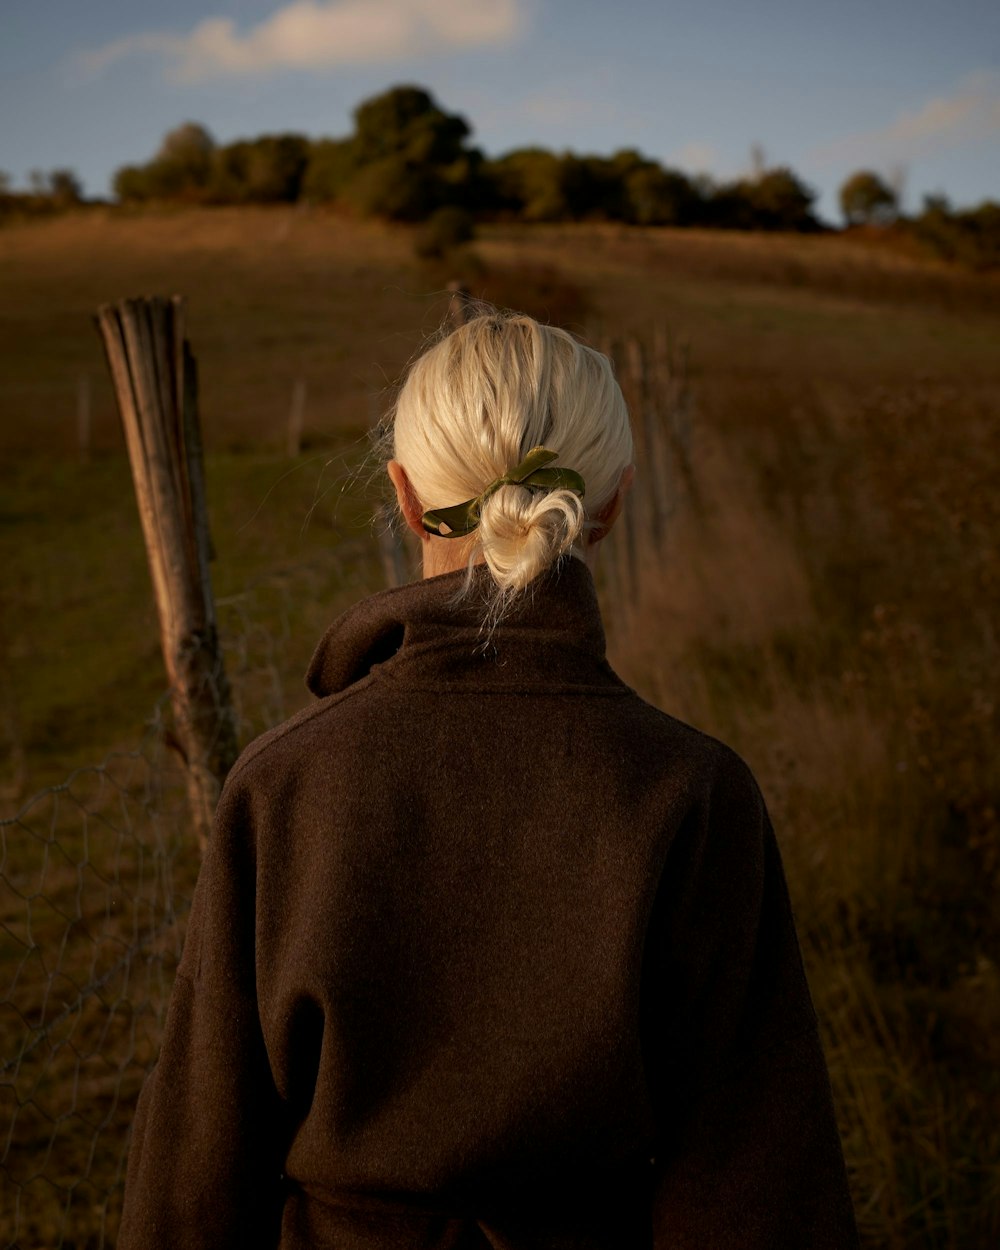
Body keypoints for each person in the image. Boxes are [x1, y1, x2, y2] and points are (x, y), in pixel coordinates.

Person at [118, 312, 860, 1249]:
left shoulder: (283, 785)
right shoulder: (695, 794)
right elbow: (757, 1177)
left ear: (406, 498)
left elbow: (197, 1171)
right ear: (615, 503)